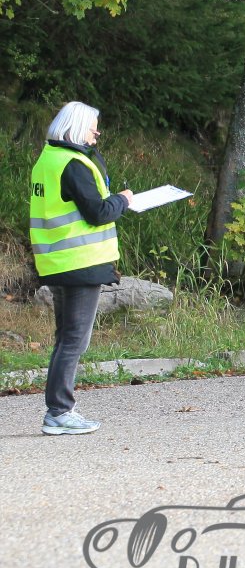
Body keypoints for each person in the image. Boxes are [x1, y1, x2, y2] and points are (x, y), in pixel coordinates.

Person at [28, 101, 132, 436]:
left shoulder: (49, 158)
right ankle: (59, 412)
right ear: (75, 128)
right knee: (74, 340)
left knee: (66, 338)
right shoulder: (73, 164)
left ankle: (59, 410)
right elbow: (98, 212)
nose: (96, 133)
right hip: (80, 262)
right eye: (91, 127)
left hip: (58, 260)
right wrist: (124, 199)